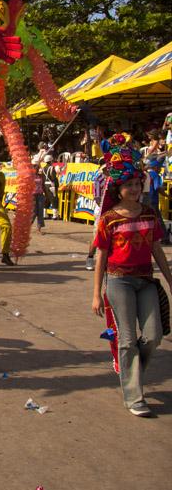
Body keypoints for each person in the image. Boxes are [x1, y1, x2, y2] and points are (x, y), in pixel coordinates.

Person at [92, 133, 172, 417]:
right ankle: (134, 397)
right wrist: (95, 295)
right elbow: (101, 256)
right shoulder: (109, 219)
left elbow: (157, 251)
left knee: (153, 336)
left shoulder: (150, 215)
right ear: (119, 188)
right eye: (130, 185)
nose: (136, 188)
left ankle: (131, 370)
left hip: (146, 281)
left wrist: (170, 280)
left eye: (138, 184)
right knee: (127, 339)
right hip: (118, 282)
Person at [32, 164, 45, 233]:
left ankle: (39, 229)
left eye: (38, 168)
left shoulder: (41, 176)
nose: (37, 170)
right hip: (33, 195)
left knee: (40, 212)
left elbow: (43, 185)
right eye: (36, 168)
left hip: (40, 195)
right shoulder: (30, 176)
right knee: (33, 212)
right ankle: (27, 227)